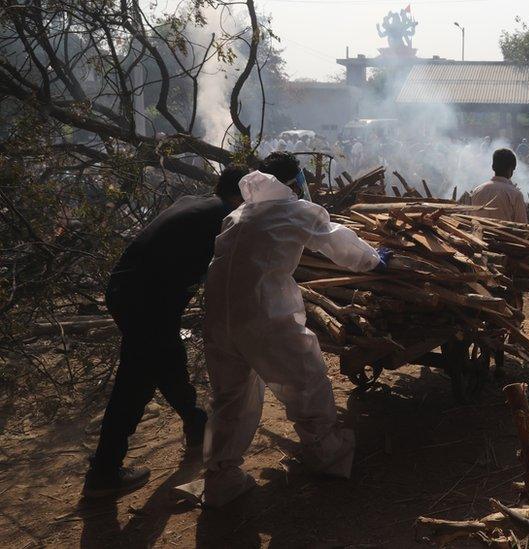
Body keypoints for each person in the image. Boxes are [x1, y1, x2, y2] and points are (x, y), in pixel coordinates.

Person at [199, 152, 388, 507]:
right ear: (292, 182)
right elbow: (337, 240)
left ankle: (220, 478)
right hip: (263, 315)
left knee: (230, 398)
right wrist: (375, 260)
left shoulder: (237, 215)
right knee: (307, 380)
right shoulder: (294, 210)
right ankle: (328, 456)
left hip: (219, 318)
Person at [82, 166, 247, 498]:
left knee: (168, 359)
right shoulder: (227, 218)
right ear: (241, 194)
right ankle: (104, 471)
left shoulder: (193, 202)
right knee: (136, 382)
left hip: (125, 290)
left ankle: (196, 423)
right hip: (147, 302)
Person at [470, 148, 529, 223]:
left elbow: (473, 219)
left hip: (478, 234)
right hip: (506, 235)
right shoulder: (516, 194)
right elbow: (522, 226)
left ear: (493, 167)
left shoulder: (477, 191)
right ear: (511, 169)